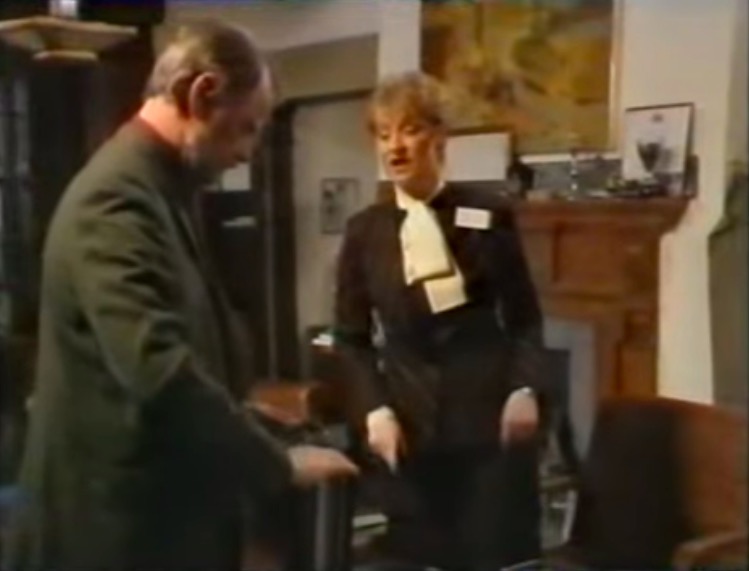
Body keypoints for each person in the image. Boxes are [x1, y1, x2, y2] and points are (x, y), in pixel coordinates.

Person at [4, 20, 358, 571]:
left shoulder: (162, 189)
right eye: (245, 128)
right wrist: (277, 464)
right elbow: (160, 369)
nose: (247, 152)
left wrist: (255, 418)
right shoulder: (116, 200)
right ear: (201, 94)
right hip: (115, 537)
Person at [335, 71, 546, 570]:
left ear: (439, 136)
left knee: (492, 554)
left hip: (487, 421)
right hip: (410, 429)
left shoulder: (488, 213)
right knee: (421, 556)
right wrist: (375, 411)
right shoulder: (364, 232)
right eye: (383, 134)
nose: (395, 147)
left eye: (409, 130)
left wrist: (525, 389)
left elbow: (524, 318)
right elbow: (351, 338)